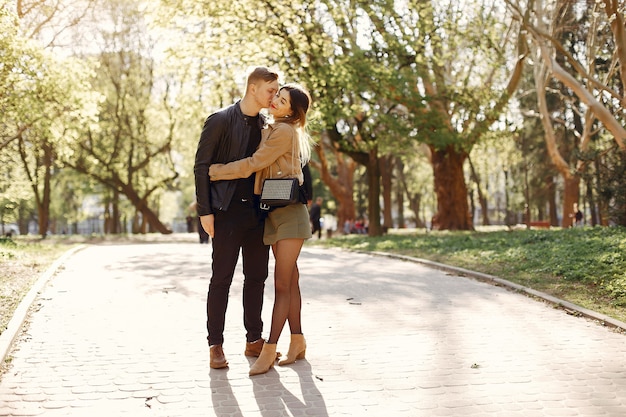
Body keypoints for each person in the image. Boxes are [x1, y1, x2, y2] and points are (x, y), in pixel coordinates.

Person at [209, 83, 313, 376]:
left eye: (282, 100)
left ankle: (269, 348)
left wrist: (215, 171)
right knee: (291, 283)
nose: (276, 101)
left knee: (282, 286)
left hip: (290, 215)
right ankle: (298, 341)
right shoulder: (273, 127)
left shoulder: (283, 131)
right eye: (276, 97)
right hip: (275, 214)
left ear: (293, 110)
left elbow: (254, 164)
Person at [194, 67, 280, 369]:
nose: (275, 96)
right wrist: (205, 211)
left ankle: (253, 339)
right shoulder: (219, 121)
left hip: (259, 213)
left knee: (257, 278)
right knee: (221, 279)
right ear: (253, 88)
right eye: (271, 90)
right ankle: (215, 345)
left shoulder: (269, 125)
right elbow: (202, 166)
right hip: (225, 211)